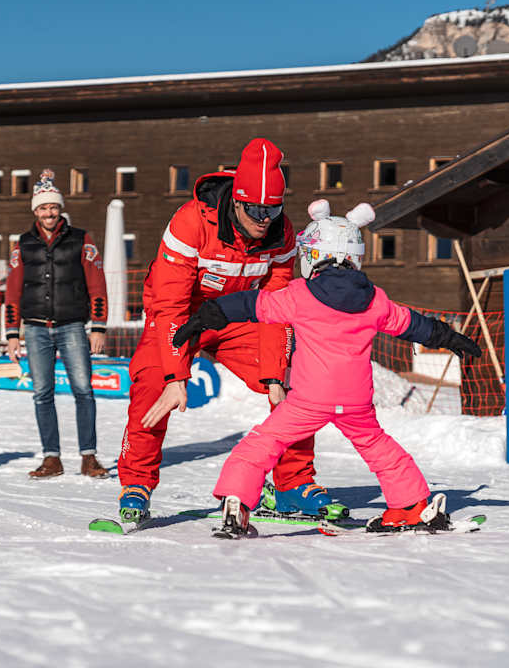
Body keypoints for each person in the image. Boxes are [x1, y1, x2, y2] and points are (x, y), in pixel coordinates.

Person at [172, 199, 482, 537]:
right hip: (356, 401)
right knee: (381, 449)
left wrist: (206, 315)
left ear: (313, 255)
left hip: (309, 400)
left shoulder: (299, 294)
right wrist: (452, 338)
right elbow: (414, 325)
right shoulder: (375, 299)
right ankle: (410, 506)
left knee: (263, 444)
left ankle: (237, 501)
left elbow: (251, 304)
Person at [116, 138, 344, 525]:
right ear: (236, 201)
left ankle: (292, 484)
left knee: (294, 382)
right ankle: (136, 482)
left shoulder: (281, 233)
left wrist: (275, 372)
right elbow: (169, 304)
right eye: (254, 209)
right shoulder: (190, 222)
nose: (263, 219)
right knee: (153, 385)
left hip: (238, 315)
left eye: (272, 209)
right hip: (182, 314)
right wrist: (176, 376)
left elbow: (277, 306)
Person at [5, 169, 110, 479]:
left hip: (72, 326)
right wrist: (13, 334)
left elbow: (97, 284)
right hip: (35, 328)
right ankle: (52, 458)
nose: (49, 213)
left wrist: (99, 326)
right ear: (36, 211)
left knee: (83, 390)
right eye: (43, 208)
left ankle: (88, 457)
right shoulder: (22, 244)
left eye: (53, 207)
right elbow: (12, 291)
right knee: (42, 393)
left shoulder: (82, 239)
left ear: (60, 208)